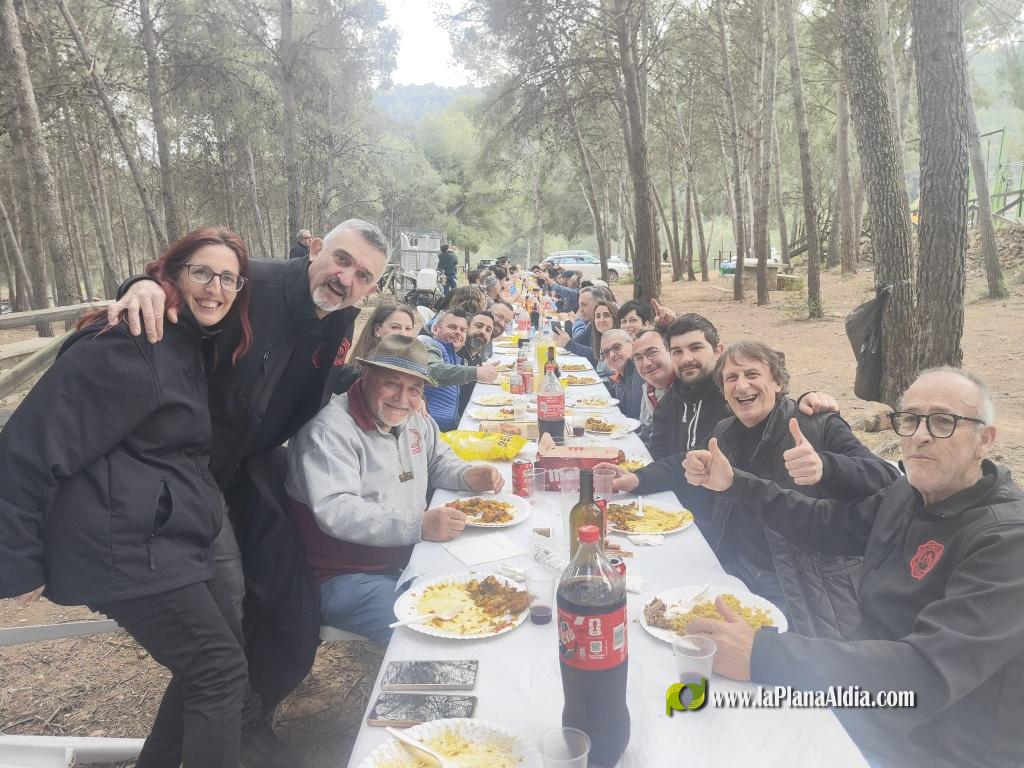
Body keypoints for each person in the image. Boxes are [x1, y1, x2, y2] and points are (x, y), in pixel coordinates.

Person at [106, 219, 390, 746]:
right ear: (317, 250)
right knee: (221, 634)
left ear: (372, 289)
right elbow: (175, 284)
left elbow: (319, 385)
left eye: (364, 275)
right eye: (342, 260)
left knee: (290, 608)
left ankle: (251, 720)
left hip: (252, 473)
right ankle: (224, 737)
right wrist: (139, 286)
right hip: (185, 479)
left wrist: (383, 380)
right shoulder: (251, 281)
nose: (346, 278)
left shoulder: (340, 319)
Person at [0, 227, 254, 768]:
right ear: (173, 273)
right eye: (202, 272)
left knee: (216, 660)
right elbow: (29, 445)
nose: (216, 287)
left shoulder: (187, 344)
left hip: (165, 535)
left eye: (229, 278)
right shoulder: (131, 341)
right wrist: (17, 558)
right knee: (217, 668)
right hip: (119, 542)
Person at [683, 368, 1024, 768]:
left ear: (984, 439)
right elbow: (824, 525)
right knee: (695, 717)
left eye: (944, 422)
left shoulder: (1006, 542)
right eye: (910, 419)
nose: (920, 435)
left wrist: (764, 654)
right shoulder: (910, 493)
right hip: (864, 693)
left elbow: (926, 673)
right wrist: (735, 484)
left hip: (933, 746)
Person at [285, 335, 503, 646]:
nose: (403, 397)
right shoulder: (329, 430)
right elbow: (337, 511)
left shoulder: (414, 418)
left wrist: (469, 475)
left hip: (407, 558)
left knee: (483, 597)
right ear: (367, 376)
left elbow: (438, 461)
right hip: (347, 576)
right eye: (392, 383)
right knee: (430, 636)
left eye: (415, 388)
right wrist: (419, 524)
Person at [689, 341, 899, 635]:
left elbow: (888, 480)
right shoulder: (724, 432)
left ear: (777, 381)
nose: (742, 385)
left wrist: (826, 468)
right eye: (731, 378)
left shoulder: (816, 425)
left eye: (752, 374)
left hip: (800, 585)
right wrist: (697, 469)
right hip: (736, 572)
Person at [421, 308, 498, 430]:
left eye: (462, 330)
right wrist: (476, 372)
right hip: (432, 430)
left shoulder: (452, 356)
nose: (458, 332)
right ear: (435, 329)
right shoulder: (430, 345)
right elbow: (432, 372)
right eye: (452, 327)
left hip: (447, 427)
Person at [630, 329, 676, 445]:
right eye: (638, 358)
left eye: (652, 353)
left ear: (670, 351)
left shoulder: (687, 389)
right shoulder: (649, 389)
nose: (646, 363)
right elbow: (645, 433)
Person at [347, 302, 417, 365]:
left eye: (408, 328)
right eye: (395, 327)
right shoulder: (373, 366)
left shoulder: (410, 361)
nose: (403, 334)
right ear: (377, 330)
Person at [591, 298, 618, 377]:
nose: (601, 320)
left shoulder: (618, 343)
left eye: (606, 315)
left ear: (615, 318)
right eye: (598, 316)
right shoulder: (603, 339)